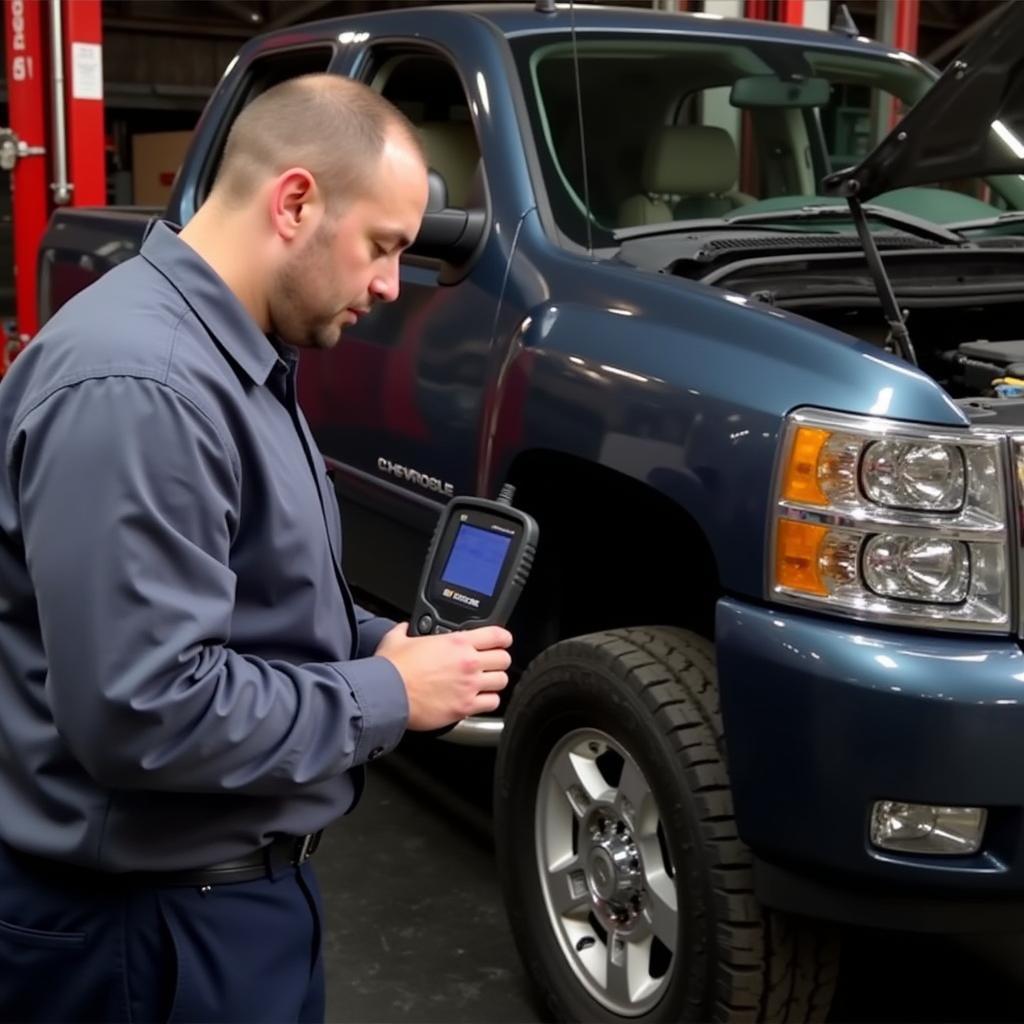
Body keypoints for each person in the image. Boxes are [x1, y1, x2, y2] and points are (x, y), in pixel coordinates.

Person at [0, 73, 512, 1023]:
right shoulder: (142, 387)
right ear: (295, 202)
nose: (391, 285)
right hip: (144, 940)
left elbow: (239, 589)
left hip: (222, 907)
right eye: (383, 247)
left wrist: (372, 643)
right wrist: (391, 695)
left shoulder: (226, 357)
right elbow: (145, 710)